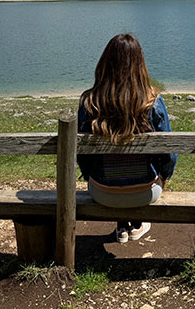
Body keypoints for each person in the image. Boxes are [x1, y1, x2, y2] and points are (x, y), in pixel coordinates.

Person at [77, 34, 177, 243]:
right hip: (145, 192)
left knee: (115, 171)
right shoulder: (153, 102)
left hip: (102, 191)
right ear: (140, 64)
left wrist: (89, 177)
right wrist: (164, 177)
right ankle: (137, 224)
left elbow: (82, 155)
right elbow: (169, 153)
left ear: (105, 63)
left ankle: (122, 226)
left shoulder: (89, 101)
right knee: (137, 174)